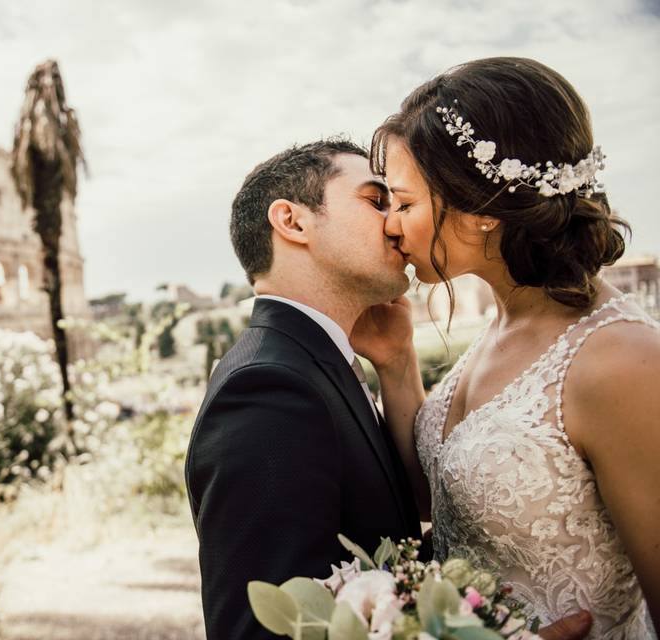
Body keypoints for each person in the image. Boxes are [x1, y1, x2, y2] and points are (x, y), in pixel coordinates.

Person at [185, 137, 593, 639]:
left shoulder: (317, 362)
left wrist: (397, 362)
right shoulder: (267, 389)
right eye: (376, 201)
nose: (396, 223)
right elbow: (262, 630)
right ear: (293, 222)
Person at [355, 57, 659, 639]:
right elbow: (437, 501)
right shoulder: (502, 327)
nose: (390, 226)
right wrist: (396, 363)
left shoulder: (622, 361)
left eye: (405, 203)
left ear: (482, 210)